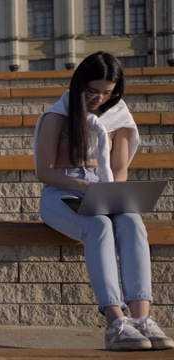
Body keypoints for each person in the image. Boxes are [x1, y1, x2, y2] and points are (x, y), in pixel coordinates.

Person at [34, 51, 174, 351]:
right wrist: (85, 186)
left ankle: (142, 319)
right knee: (98, 226)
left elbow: (119, 170)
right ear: (79, 84)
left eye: (108, 93)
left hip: (104, 190)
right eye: (92, 91)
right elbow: (44, 172)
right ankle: (115, 321)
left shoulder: (119, 118)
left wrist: (111, 196)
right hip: (62, 192)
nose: (99, 98)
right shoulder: (57, 115)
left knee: (132, 221)